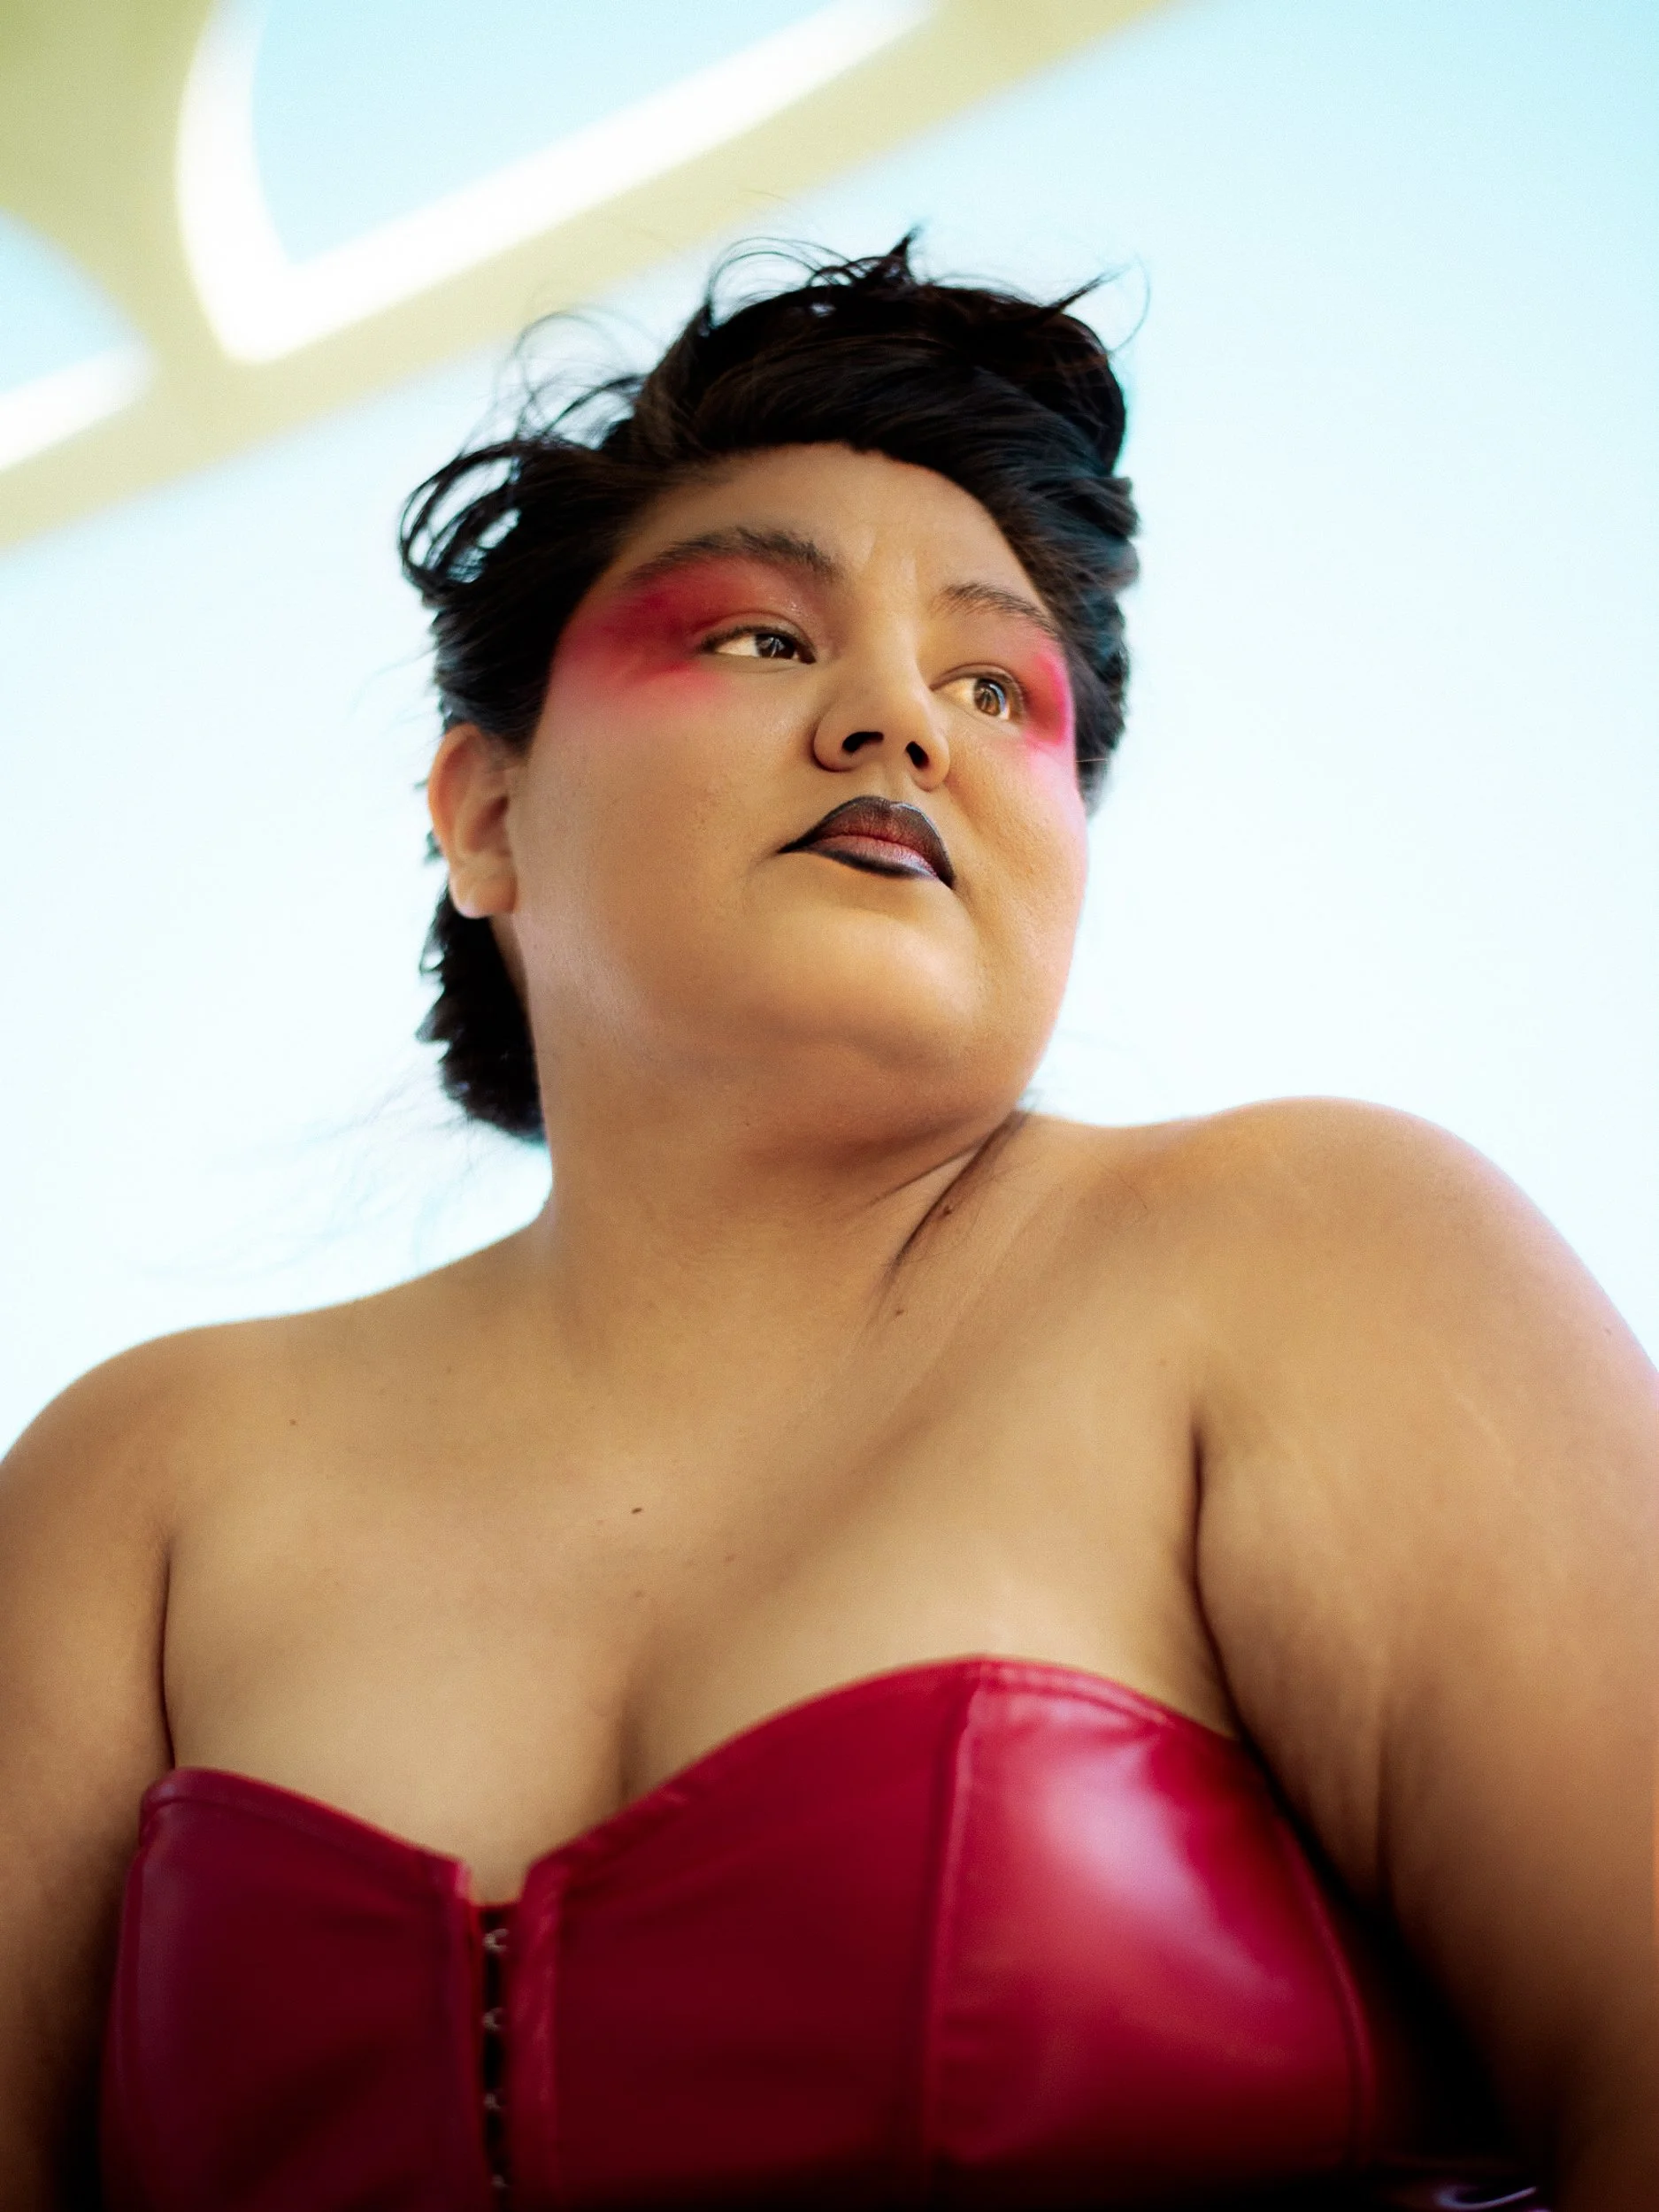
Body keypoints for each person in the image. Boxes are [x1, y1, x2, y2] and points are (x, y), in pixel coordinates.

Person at [0, 242, 1652, 2212]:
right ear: (481, 809)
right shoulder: (142, 1481)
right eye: (761, 640)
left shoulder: (1312, 1257)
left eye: (990, 681)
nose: (897, 718)